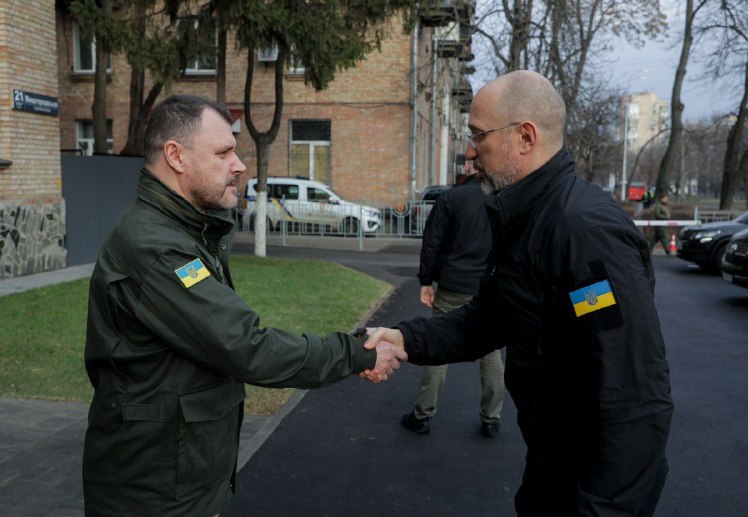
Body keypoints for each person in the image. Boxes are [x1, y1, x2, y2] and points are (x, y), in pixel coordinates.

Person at [363, 71, 673, 516]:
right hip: (553, 468)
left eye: (478, 136)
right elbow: (490, 318)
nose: (470, 153)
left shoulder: (582, 232)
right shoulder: (527, 218)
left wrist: (604, 508)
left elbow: (635, 392)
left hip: (593, 488)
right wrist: (406, 339)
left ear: (525, 137)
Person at [82, 94, 406, 517]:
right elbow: (246, 347)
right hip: (154, 490)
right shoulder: (159, 249)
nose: (239, 165)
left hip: (177, 476)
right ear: (175, 157)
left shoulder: (181, 230)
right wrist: (357, 350)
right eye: (224, 152)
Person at [402, 164, 504, 437]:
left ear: (470, 168)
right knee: (491, 352)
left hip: (453, 284)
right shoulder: (502, 198)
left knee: (439, 345)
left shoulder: (451, 197)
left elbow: (432, 241)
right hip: (488, 286)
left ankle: (422, 415)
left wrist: (426, 280)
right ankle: (491, 418)